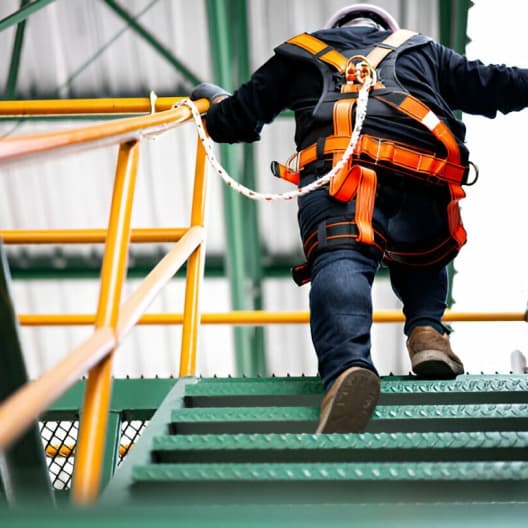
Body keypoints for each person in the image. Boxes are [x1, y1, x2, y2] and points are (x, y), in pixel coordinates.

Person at [191, 3, 528, 434]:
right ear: (387, 29)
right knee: (423, 254)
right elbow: (493, 85)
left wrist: (212, 98)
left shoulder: (297, 54)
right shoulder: (423, 50)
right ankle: (427, 333)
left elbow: (232, 121)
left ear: (333, 31)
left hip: (341, 179)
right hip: (425, 174)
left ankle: (348, 369)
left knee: (341, 260)